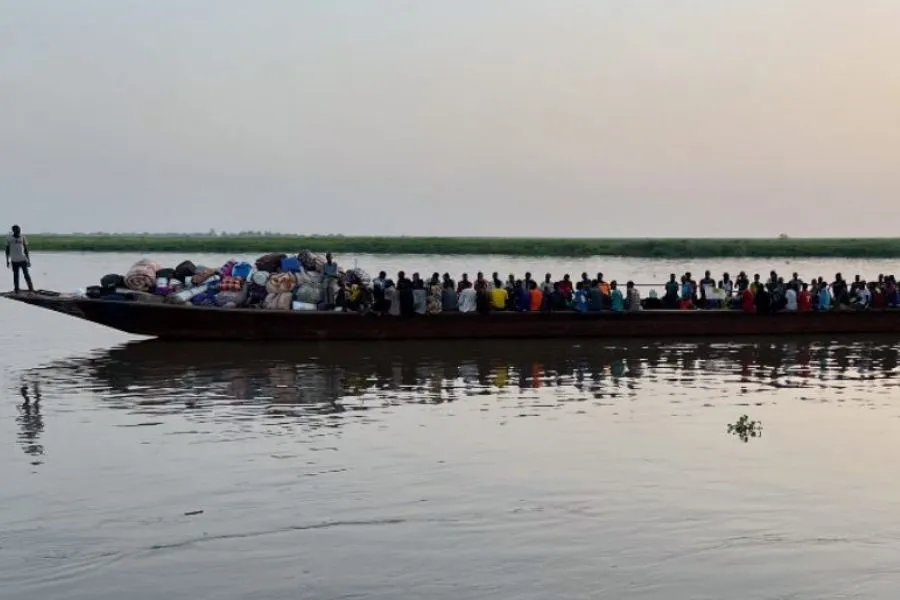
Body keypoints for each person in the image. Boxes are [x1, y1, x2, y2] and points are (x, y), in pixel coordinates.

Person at [6, 225, 34, 293]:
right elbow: (7, 250)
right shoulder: (9, 238)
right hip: (14, 260)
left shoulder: (23, 237)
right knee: (15, 275)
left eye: (19, 230)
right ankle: (16, 289)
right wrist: (7, 261)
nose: (18, 231)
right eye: (17, 230)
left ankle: (31, 289)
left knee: (26, 275)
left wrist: (28, 260)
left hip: (23, 260)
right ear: (13, 230)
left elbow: (26, 249)